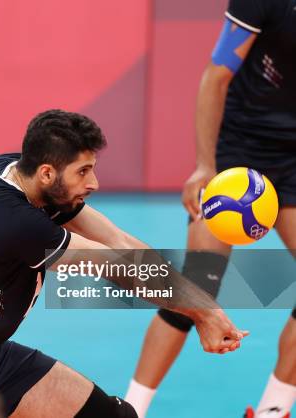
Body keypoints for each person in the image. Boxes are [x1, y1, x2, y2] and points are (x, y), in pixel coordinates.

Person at [0, 109, 247, 418]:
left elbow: (119, 243)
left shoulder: (12, 170)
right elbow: (123, 269)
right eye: (83, 171)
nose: (94, 182)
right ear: (47, 172)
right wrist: (204, 313)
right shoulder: (14, 221)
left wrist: (204, 307)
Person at [125, 1, 296, 416]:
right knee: (198, 286)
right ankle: (129, 408)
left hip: (294, 159)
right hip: (240, 153)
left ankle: (275, 408)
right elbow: (216, 76)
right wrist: (206, 166)